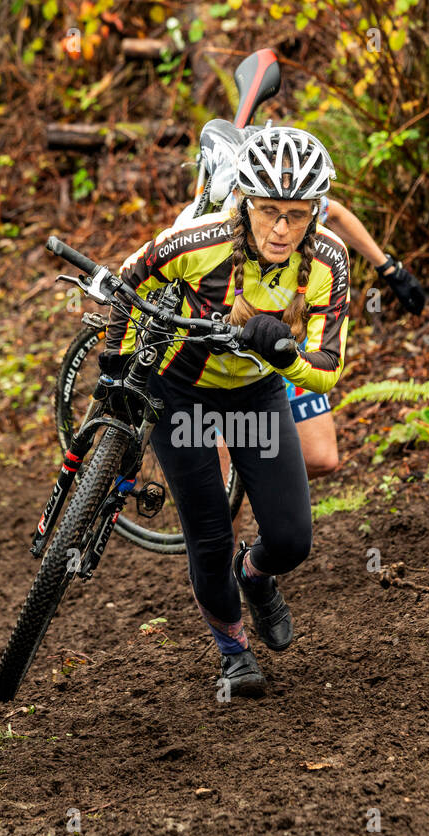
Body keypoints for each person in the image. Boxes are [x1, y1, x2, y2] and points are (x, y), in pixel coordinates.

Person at [100, 126, 351, 697]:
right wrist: (114, 367)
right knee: (209, 537)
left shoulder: (328, 262)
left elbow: (328, 366)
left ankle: (255, 576)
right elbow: (127, 283)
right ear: (244, 202)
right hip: (182, 389)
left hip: (256, 396)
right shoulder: (197, 241)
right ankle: (234, 651)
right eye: (268, 212)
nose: (283, 229)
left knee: (291, 541)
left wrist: (285, 354)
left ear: (317, 210)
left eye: (297, 213)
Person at [174, 137, 427, 478]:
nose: (280, 225)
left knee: (322, 457)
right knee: (219, 466)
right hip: (216, 343)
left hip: (283, 327)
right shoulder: (222, 209)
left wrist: (388, 268)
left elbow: (333, 214)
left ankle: (259, 490)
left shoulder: (291, 203)